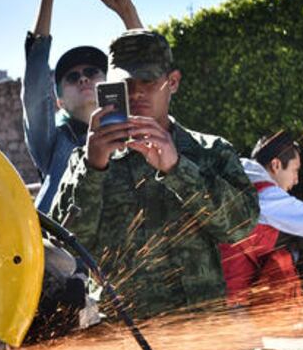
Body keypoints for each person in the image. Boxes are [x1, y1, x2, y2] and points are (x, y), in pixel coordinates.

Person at [50, 30, 259, 320]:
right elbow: (64, 249)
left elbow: (242, 227)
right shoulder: (84, 161)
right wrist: (93, 168)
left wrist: (178, 169)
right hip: (124, 342)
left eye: (147, 81)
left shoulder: (209, 151)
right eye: (125, 84)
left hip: (201, 336)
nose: (135, 92)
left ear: (172, 82)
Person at [23, 0, 143, 213]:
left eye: (91, 71)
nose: (84, 78)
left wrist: (126, 10)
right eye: (72, 77)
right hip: (65, 253)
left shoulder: (134, 130)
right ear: (59, 101)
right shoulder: (54, 143)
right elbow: (35, 77)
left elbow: (149, 67)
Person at [219, 131, 303, 310]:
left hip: (209, 289)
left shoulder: (239, 175)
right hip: (230, 300)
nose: (296, 180)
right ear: (275, 165)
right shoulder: (266, 195)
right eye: (295, 170)